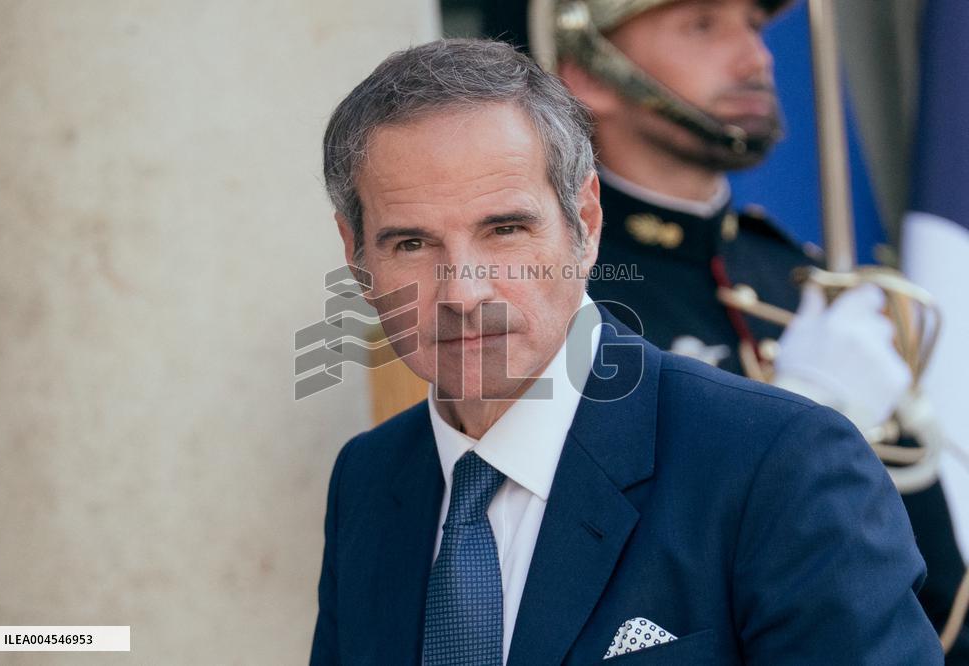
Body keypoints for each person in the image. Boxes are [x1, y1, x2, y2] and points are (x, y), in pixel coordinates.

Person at [311, 38, 942, 664]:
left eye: (505, 230)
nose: (464, 293)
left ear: (584, 223)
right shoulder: (368, 480)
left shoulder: (778, 461)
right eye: (411, 245)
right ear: (356, 255)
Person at [530, 0, 968, 658]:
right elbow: (577, 583)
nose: (756, 57)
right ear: (589, 71)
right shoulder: (552, 300)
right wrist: (811, 406)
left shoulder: (802, 278)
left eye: (756, 27)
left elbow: (937, 593)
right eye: (703, 25)